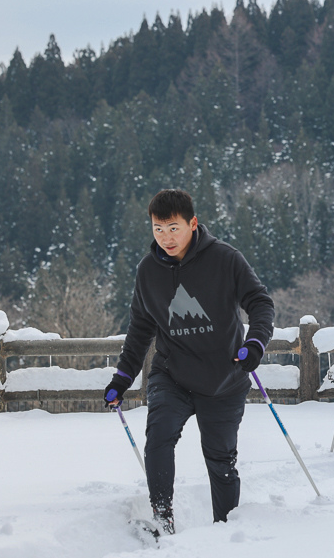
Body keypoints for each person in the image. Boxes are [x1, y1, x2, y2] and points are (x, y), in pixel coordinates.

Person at [103, 189, 274, 534]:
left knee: (220, 459)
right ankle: (162, 519)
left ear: (192, 224)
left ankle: (225, 528)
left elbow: (259, 302)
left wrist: (255, 343)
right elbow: (139, 329)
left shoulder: (225, 259)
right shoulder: (148, 271)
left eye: (174, 228)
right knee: (159, 436)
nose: (166, 237)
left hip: (225, 378)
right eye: (158, 229)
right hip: (172, 374)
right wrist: (121, 379)